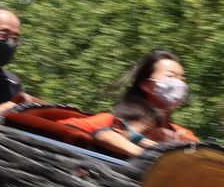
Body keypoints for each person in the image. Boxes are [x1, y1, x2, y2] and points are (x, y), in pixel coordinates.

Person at [66, 50, 199, 157]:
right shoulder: (114, 120)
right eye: (171, 76)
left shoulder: (182, 133)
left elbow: (203, 155)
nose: (179, 84)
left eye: (182, 79)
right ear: (146, 85)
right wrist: (138, 142)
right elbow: (66, 128)